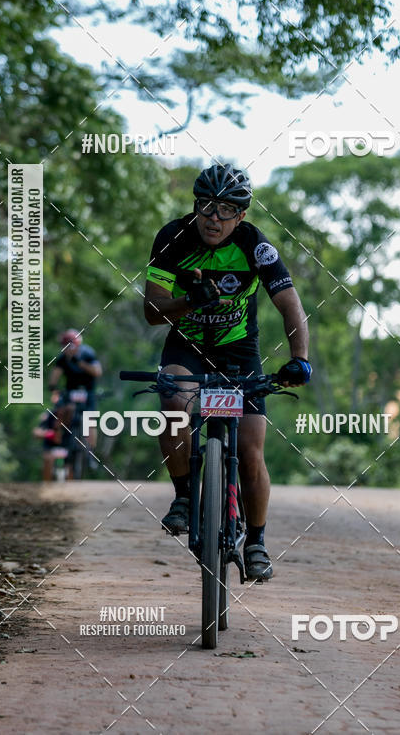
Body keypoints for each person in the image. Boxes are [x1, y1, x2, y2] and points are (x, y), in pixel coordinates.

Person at [143, 162, 311, 581]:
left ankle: (256, 542)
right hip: (188, 345)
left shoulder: (255, 245)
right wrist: (189, 302)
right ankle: (184, 497)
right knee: (173, 399)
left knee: (251, 453)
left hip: (239, 351)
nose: (212, 218)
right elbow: (151, 310)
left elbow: (289, 304)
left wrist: (300, 358)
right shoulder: (173, 237)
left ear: (242, 214)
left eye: (225, 209)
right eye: (205, 206)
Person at [48, 329, 102, 475]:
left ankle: (90, 451)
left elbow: (97, 372)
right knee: (61, 412)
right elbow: (55, 375)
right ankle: (60, 443)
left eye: (69, 346)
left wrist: (79, 362)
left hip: (88, 391)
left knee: (90, 420)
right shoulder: (62, 358)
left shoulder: (87, 353)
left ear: (77, 345)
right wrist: (53, 387)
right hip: (70, 392)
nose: (67, 350)